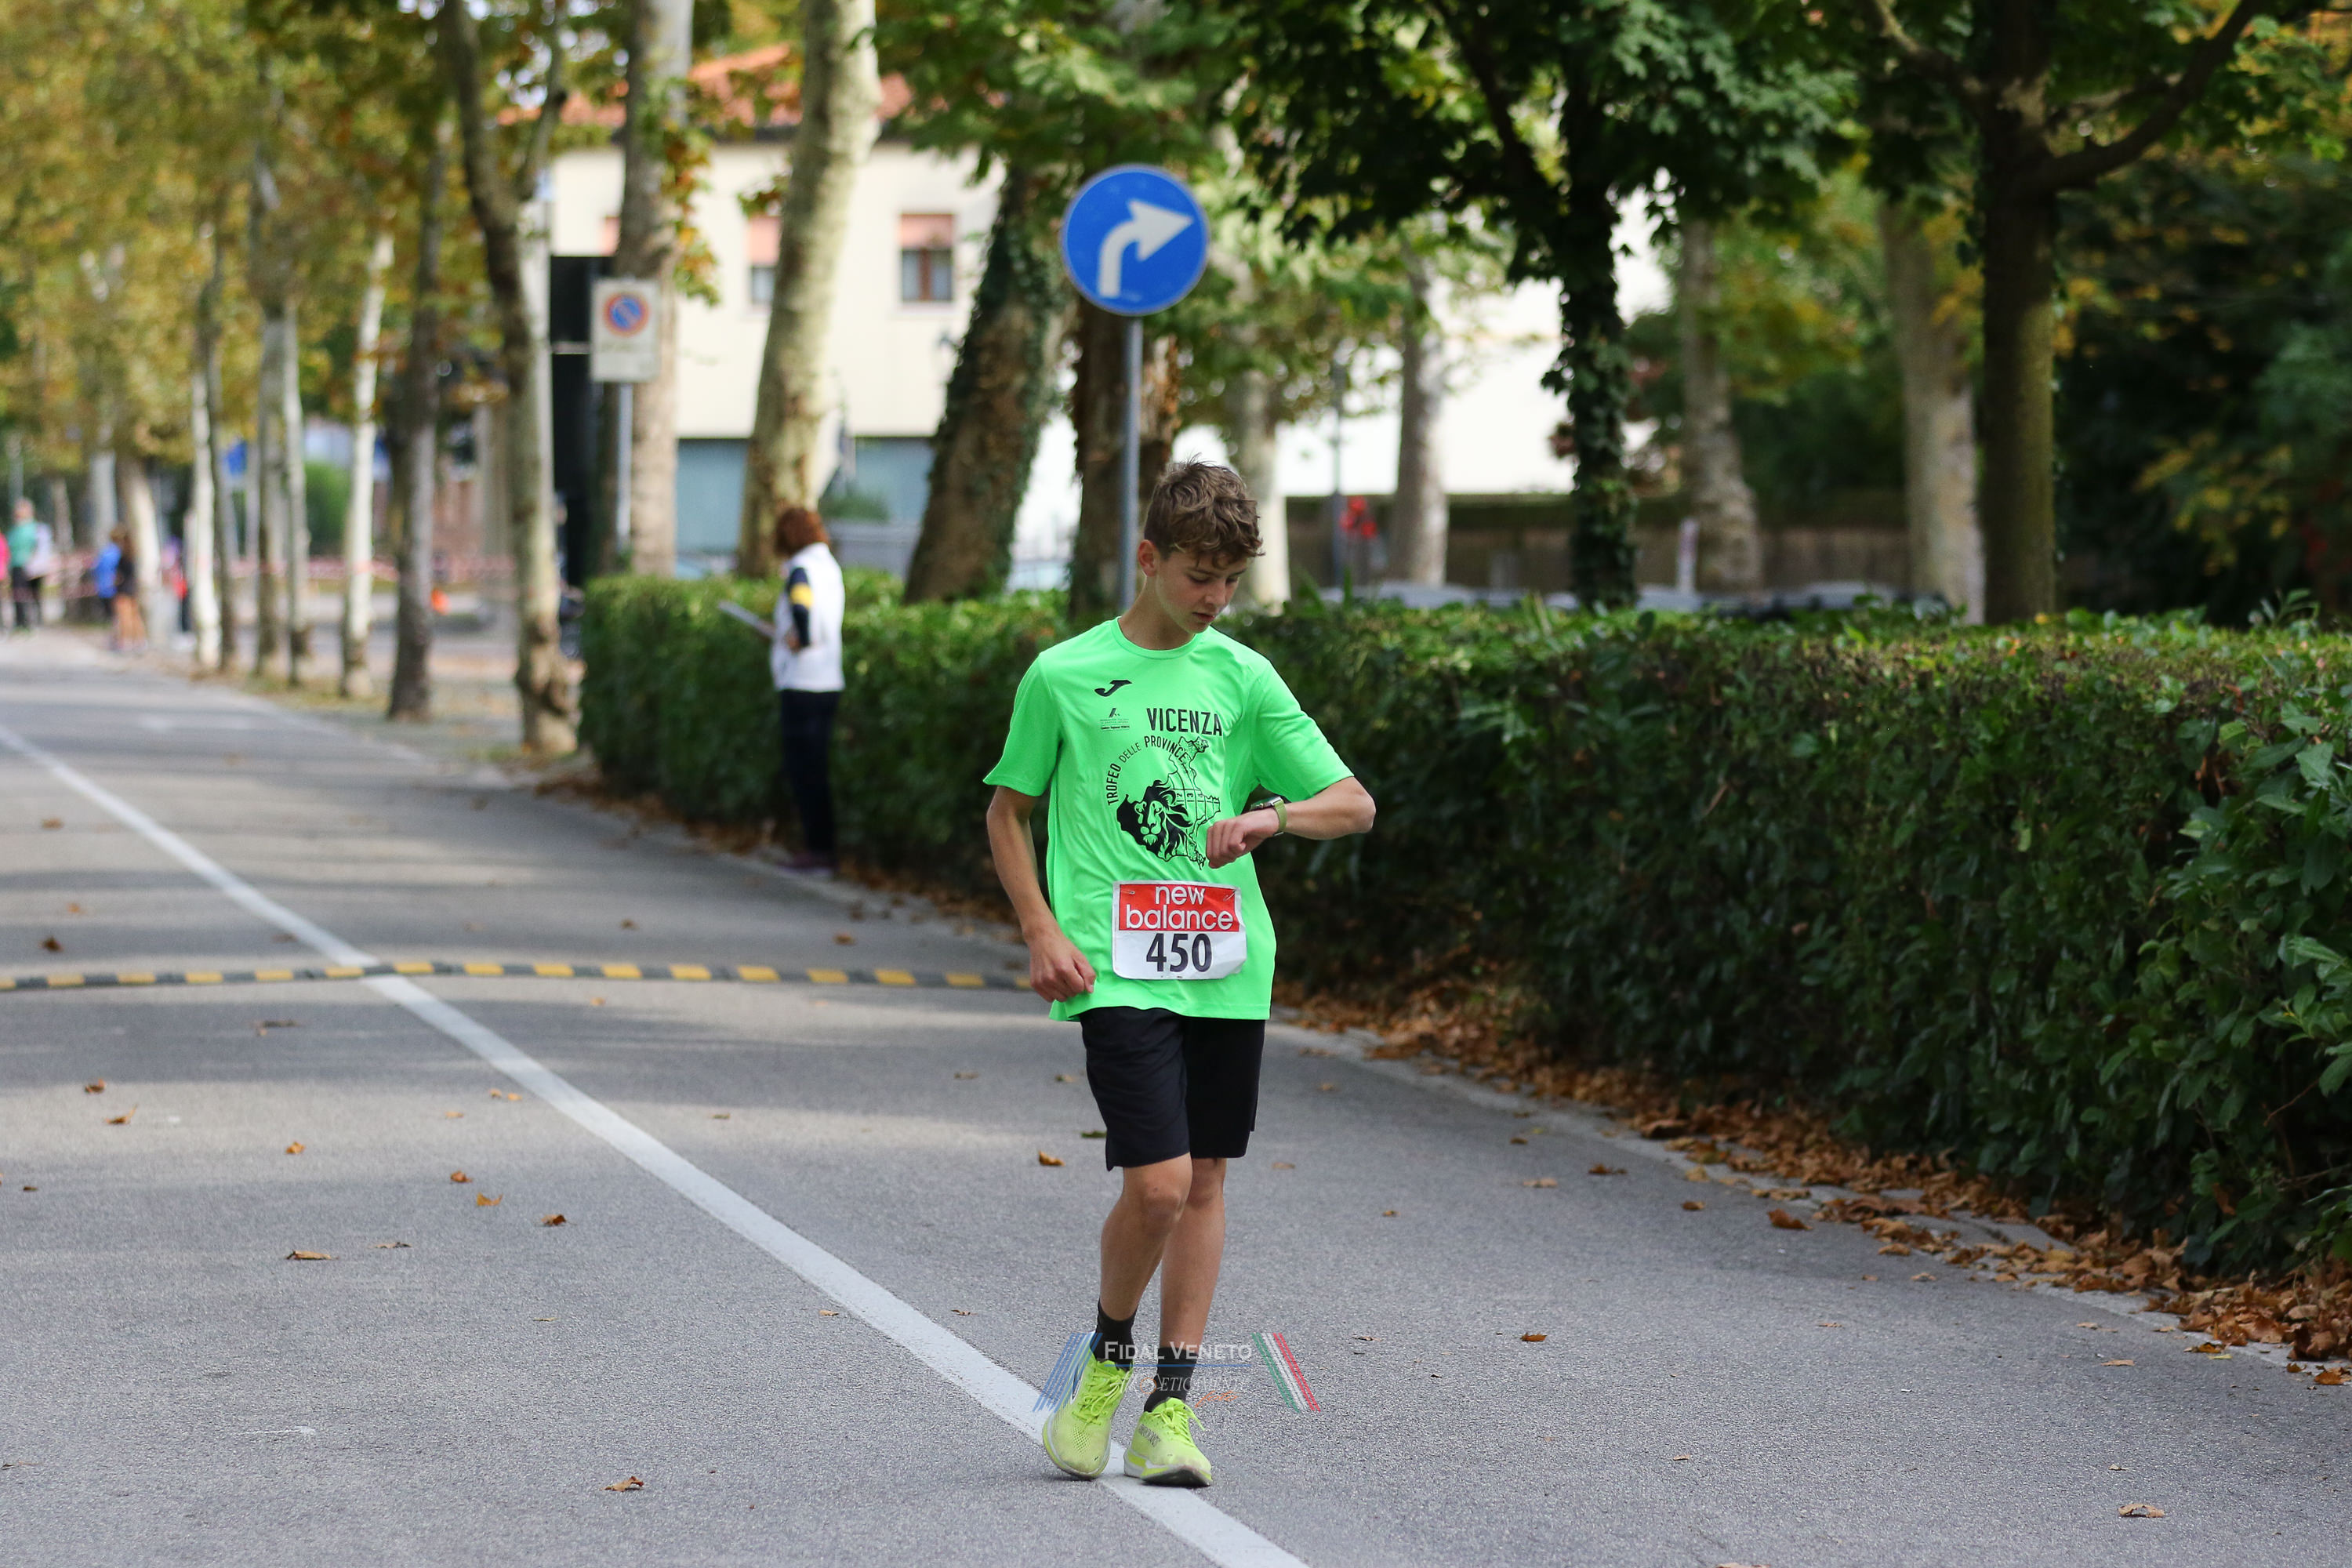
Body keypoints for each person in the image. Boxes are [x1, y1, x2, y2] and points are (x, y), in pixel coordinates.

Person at [985, 461, 1376, 1489]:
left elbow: (1354, 803)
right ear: (1149, 558)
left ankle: (1170, 1410)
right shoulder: (1065, 674)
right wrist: (1039, 930)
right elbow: (1008, 811)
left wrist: (1269, 817)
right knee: (1156, 1184)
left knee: (1203, 1180)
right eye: (1200, 575)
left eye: (1230, 581)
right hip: (1113, 962)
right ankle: (1107, 1361)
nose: (1215, 598)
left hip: (1225, 963)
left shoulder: (1242, 677)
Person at [770, 503, 845, 873]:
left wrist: (798, 636)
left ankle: (818, 849)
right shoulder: (829, 566)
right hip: (829, 679)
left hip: (801, 682)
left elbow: (802, 607)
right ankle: (821, 847)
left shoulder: (800, 569)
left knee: (804, 771)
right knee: (818, 768)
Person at [8, 498, 41, 632]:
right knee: (18, 595)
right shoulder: (15, 529)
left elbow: (38, 546)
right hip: (16, 565)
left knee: (33, 595)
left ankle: (34, 621)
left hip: (31, 566)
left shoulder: (34, 528)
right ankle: (21, 622)